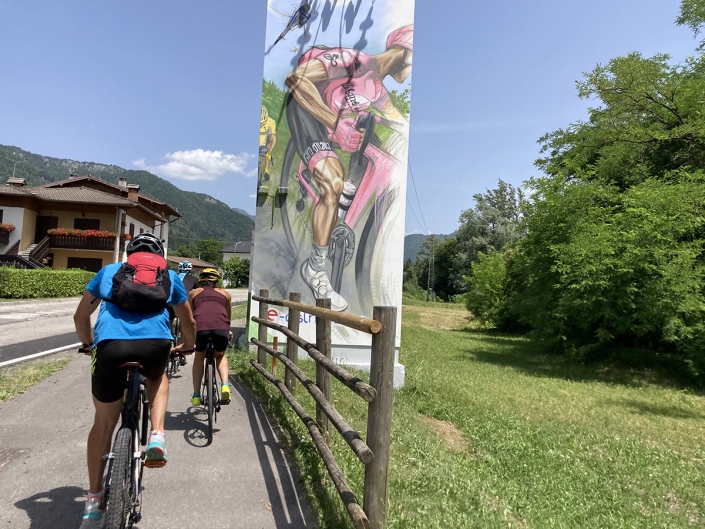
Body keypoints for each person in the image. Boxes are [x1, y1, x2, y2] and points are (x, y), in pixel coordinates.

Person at [284, 25, 413, 311]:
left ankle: (339, 213)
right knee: (334, 183)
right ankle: (315, 267)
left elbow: (400, 121)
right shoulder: (355, 60)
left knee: (372, 156)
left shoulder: (378, 89)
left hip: (336, 124)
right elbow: (297, 80)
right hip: (309, 111)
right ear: (406, 52)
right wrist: (334, 123)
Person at [74, 233, 196, 528]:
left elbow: (80, 316)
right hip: (155, 345)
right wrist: (187, 344)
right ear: (159, 256)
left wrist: (89, 343)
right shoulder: (169, 277)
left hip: (110, 347)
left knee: (103, 423)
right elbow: (188, 321)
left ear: (129, 254)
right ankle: (157, 435)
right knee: (158, 374)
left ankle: (93, 501)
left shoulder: (108, 272)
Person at [188, 268, 233, 406]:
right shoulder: (226, 294)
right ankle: (225, 385)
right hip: (221, 328)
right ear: (216, 282)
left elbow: (189, 316)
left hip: (200, 329)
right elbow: (227, 316)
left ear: (200, 281)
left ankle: (196, 396)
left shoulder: (193, 293)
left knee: (199, 356)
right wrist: (228, 330)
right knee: (220, 355)